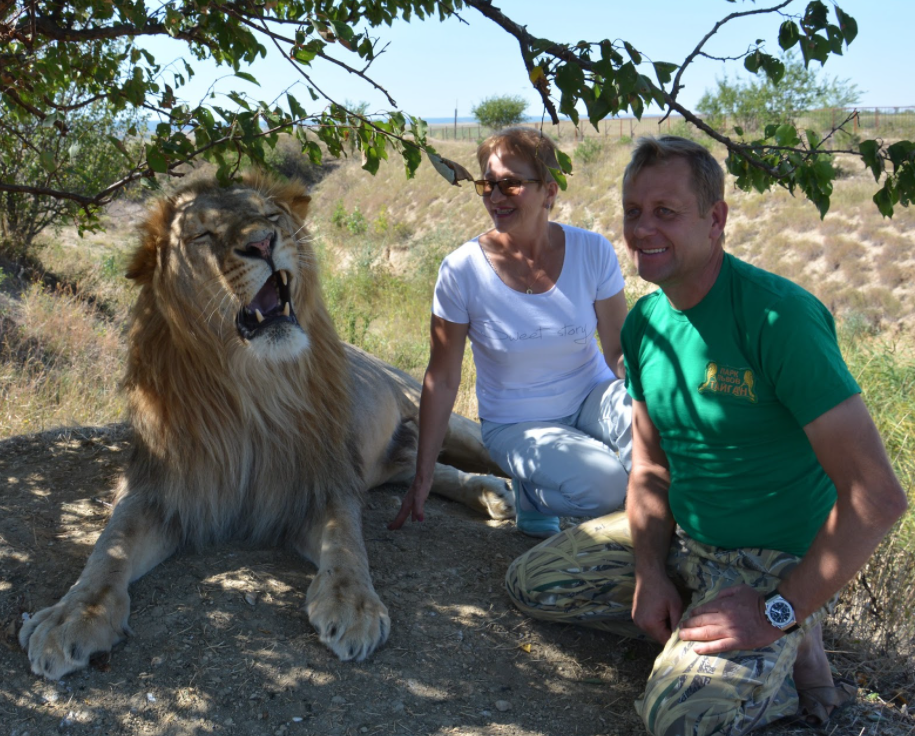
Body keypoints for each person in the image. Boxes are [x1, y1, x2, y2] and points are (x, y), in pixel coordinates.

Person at [503, 135, 908, 735]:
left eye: (666, 212)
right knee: (532, 586)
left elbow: (877, 499)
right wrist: (649, 571)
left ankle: (790, 644)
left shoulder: (779, 319)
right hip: (687, 540)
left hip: (770, 562)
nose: (643, 230)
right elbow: (650, 469)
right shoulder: (646, 325)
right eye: (633, 213)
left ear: (715, 219)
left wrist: (778, 610)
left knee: (679, 718)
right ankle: (709, 629)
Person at [388, 126, 632, 538]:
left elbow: (618, 352)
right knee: (609, 485)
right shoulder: (462, 270)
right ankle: (534, 496)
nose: (494, 197)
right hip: (517, 422)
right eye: (487, 184)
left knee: (657, 433)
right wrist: (424, 473)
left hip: (593, 395)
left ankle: (682, 533)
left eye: (510, 184)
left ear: (549, 192)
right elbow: (444, 378)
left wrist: (661, 406)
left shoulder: (592, 251)